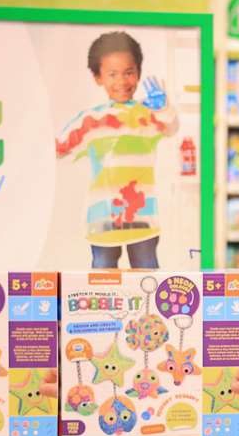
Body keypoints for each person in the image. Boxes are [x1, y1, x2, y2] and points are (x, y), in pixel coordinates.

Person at [56, 31, 178, 268]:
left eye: (129, 73)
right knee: (103, 278)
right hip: (103, 216)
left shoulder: (147, 115)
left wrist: (163, 107)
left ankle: (147, 308)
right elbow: (57, 147)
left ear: (138, 73)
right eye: (112, 74)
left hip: (142, 216)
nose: (121, 81)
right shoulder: (92, 118)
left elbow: (171, 128)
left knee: (147, 277)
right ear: (98, 77)